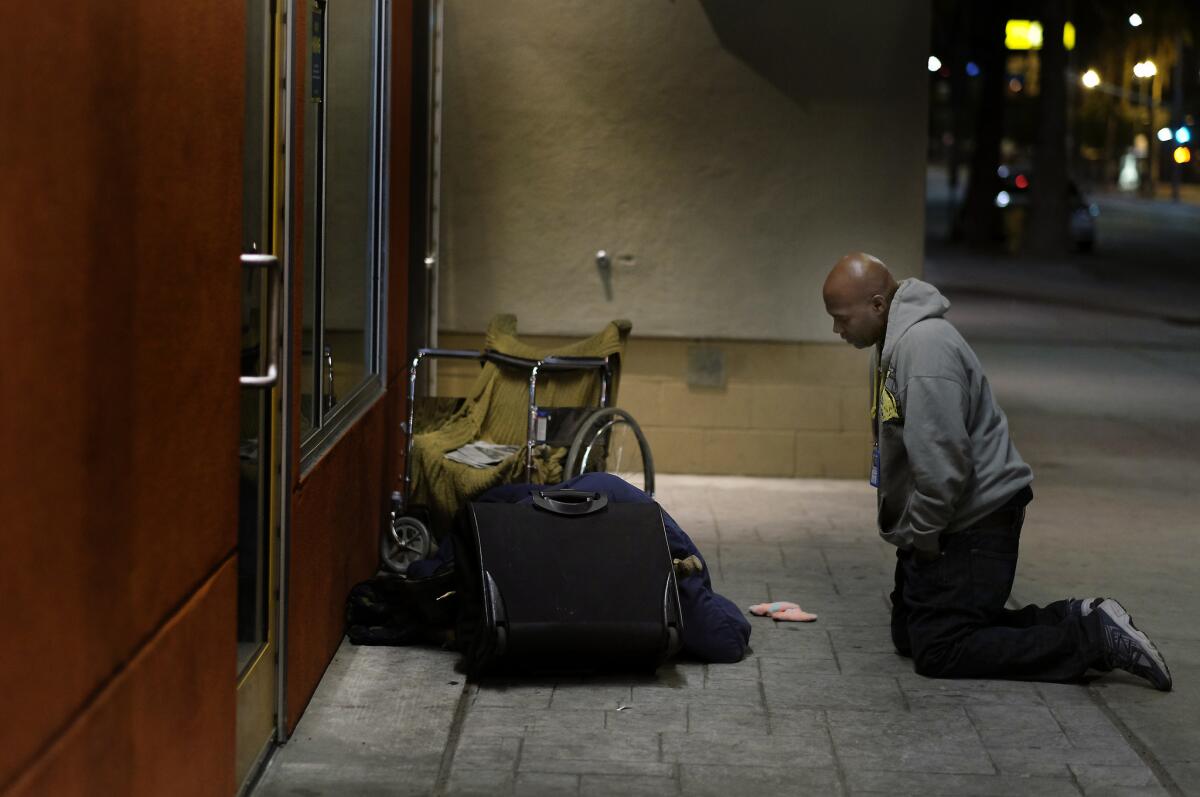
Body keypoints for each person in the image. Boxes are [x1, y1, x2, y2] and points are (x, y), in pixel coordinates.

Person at [821, 252, 1171, 690]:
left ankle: (1095, 640)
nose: (837, 330)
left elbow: (943, 459)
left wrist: (925, 534)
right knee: (911, 634)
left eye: (841, 318)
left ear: (876, 304)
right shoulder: (892, 345)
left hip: (974, 521)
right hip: (951, 517)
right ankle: (1073, 616)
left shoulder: (923, 349)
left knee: (939, 650)